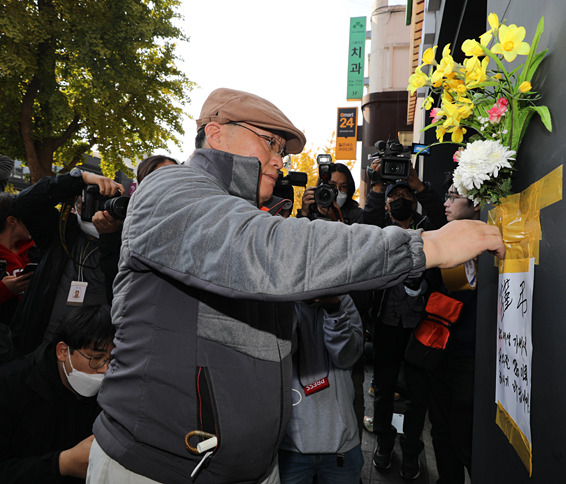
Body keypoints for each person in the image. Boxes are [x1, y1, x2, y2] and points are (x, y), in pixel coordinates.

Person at [88, 87, 505, 484]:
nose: (278, 160)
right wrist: (425, 245)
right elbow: (266, 251)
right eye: (270, 143)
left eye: (282, 152)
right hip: (160, 469)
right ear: (215, 133)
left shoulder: (251, 211)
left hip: (252, 467)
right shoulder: (171, 189)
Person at [360, 173, 447, 478]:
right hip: (386, 325)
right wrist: (376, 187)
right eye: (394, 197)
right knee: (383, 390)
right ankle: (384, 444)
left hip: (421, 326)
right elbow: (365, 221)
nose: (401, 200)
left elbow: (438, 214)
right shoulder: (380, 232)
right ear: (386, 203)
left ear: (414, 202)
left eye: (407, 196)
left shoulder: (427, 229)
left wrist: (420, 185)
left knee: (418, 393)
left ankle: (411, 452)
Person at [402, 181, 481, 483]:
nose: (446, 203)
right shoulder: (439, 243)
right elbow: (422, 292)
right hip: (438, 353)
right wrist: (414, 281)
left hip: (470, 356)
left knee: (464, 436)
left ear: (476, 204)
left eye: (453, 197)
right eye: (445, 196)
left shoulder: (492, 243)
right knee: (440, 431)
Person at [8, 169, 124, 359]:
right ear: (78, 202)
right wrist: (79, 178)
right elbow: (24, 203)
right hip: (38, 347)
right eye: (93, 197)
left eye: (106, 201)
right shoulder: (60, 230)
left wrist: (111, 236)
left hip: (90, 358)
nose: (100, 207)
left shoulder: (126, 243)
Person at [0, 304, 115, 483]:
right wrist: (61, 464)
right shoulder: (10, 386)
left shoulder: (114, 393)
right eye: (96, 358)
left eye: (112, 360)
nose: (105, 369)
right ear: (63, 351)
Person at [278, 295, 364, 484]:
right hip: (290, 445)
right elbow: (281, 352)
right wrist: (286, 303)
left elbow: (347, 357)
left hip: (341, 443)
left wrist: (334, 309)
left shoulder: (344, 301)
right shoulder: (280, 302)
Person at [0, 193, 35, 361]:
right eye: (27, 217)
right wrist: (5, 290)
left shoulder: (35, 251)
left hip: (26, 347)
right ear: (11, 220)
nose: (33, 222)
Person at [299, 163, 363, 224]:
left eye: (343, 186)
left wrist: (336, 218)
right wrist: (304, 213)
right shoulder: (312, 209)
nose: (337, 190)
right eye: (332, 186)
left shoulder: (358, 215)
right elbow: (301, 233)